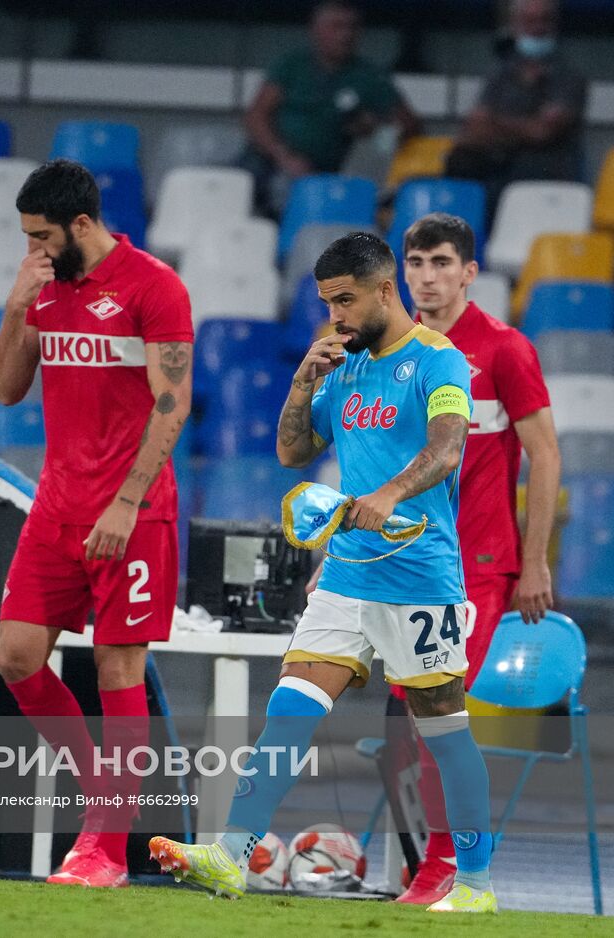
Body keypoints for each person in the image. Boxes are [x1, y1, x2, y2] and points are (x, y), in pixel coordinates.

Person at [150, 232, 498, 914]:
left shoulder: (439, 360)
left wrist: (391, 494)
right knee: (288, 710)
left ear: (384, 290)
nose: (335, 316)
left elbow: (448, 447)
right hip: (345, 576)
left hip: (421, 579)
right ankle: (229, 856)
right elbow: (291, 450)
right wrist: (303, 378)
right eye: (327, 303)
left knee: (445, 731)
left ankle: (477, 887)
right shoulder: (343, 368)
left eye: (345, 301)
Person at [0, 159, 194, 888]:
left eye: (42, 237)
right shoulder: (43, 290)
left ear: (82, 224)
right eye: (26, 239)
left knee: (117, 665)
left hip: (132, 509)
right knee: (14, 657)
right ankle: (106, 794)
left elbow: (173, 403)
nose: (34, 250)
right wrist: (16, 309)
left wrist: (128, 500)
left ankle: (103, 849)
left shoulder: (154, 287)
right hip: (57, 504)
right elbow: (7, 392)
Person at [391, 212, 558, 903]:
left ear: (469, 272)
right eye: (416, 264)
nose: (426, 277)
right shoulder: (395, 350)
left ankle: (444, 866)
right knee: (408, 723)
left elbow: (545, 455)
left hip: (480, 566)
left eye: (439, 263)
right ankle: (444, 858)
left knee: (436, 713)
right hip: (405, 563)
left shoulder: (504, 351)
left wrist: (536, 561)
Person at [240, 0, 420, 214]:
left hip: (335, 172)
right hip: (274, 160)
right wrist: (284, 157)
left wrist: (375, 128)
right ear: (316, 29)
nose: (346, 35)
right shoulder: (291, 65)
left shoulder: (369, 76)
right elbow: (256, 117)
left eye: (352, 27)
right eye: (337, 26)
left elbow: (411, 125)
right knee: (240, 181)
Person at [446, 0, 587, 215]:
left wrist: (495, 124)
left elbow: (543, 132)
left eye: (544, 20)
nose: (537, 28)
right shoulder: (500, 71)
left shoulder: (569, 75)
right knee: (460, 166)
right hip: (497, 171)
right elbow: (475, 127)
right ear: (515, 25)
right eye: (529, 21)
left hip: (548, 177)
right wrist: (523, 127)